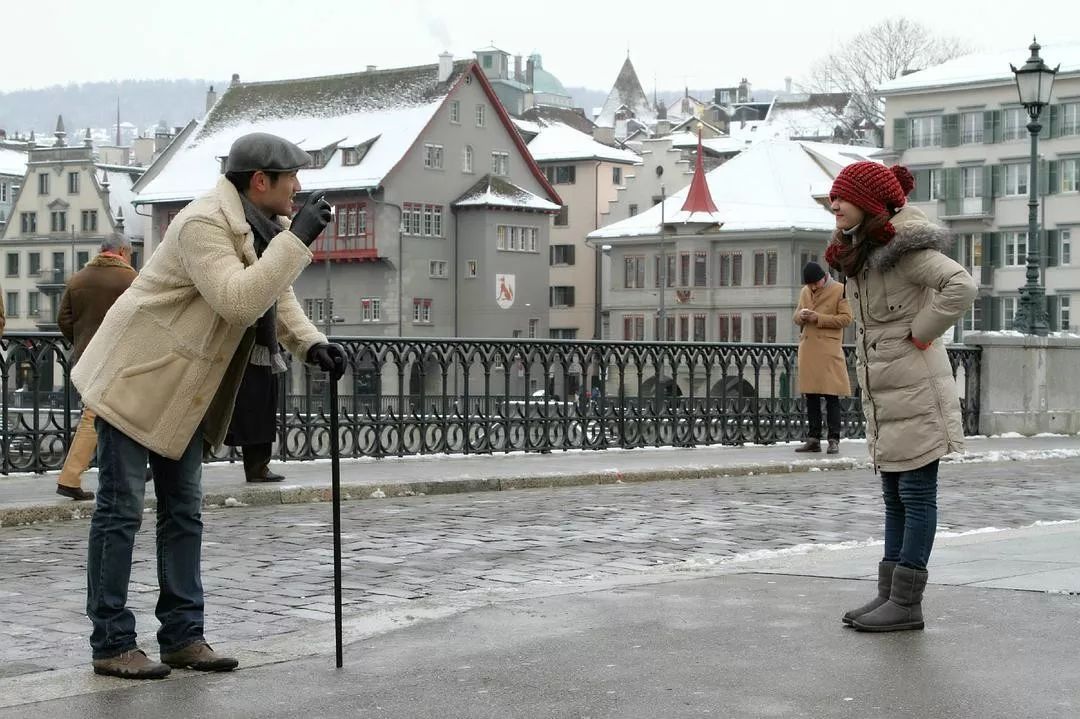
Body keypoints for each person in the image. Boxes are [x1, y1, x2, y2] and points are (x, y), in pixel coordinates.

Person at [72, 132, 348, 679]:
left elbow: (276, 297)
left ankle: (182, 637)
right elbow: (239, 300)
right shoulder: (203, 223)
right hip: (137, 376)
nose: (299, 186)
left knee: (184, 512)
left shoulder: (261, 228)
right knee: (121, 511)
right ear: (260, 181)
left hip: (184, 388)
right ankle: (111, 643)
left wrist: (311, 343)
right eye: (291, 176)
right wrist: (299, 239)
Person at [824, 161, 976, 633]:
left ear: (869, 203)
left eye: (842, 198)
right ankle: (890, 594)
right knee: (893, 494)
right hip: (887, 392)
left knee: (915, 493)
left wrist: (922, 331)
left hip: (918, 389)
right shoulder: (862, 251)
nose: (834, 205)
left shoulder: (903, 249)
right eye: (833, 198)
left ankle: (908, 603)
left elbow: (961, 284)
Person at [55, 237, 139, 501]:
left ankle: (129, 469)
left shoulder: (78, 279)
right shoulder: (130, 279)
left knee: (113, 415)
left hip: (86, 358)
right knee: (97, 415)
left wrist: (81, 341)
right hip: (118, 357)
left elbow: (63, 319)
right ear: (123, 251)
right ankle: (70, 478)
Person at [793, 261, 852, 455]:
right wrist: (801, 316)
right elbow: (795, 316)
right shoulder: (805, 291)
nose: (812, 288)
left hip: (828, 350)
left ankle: (834, 439)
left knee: (831, 395)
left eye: (815, 284)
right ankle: (813, 439)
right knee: (811, 396)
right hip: (809, 349)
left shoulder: (839, 289)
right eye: (809, 285)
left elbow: (846, 319)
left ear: (823, 278)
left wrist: (818, 318)